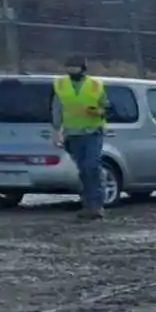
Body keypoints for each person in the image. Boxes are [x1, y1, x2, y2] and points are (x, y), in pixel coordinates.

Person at [51, 57, 108, 220]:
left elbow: (107, 107)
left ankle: (96, 205)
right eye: (69, 68)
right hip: (72, 133)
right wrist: (56, 131)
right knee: (83, 169)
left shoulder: (96, 85)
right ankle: (88, 204)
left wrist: (97, 112)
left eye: (74, 68)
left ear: (83, 69)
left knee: (92, 167)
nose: (71, 72)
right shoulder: (60, 84)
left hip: (92, 132)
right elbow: (56, 108)